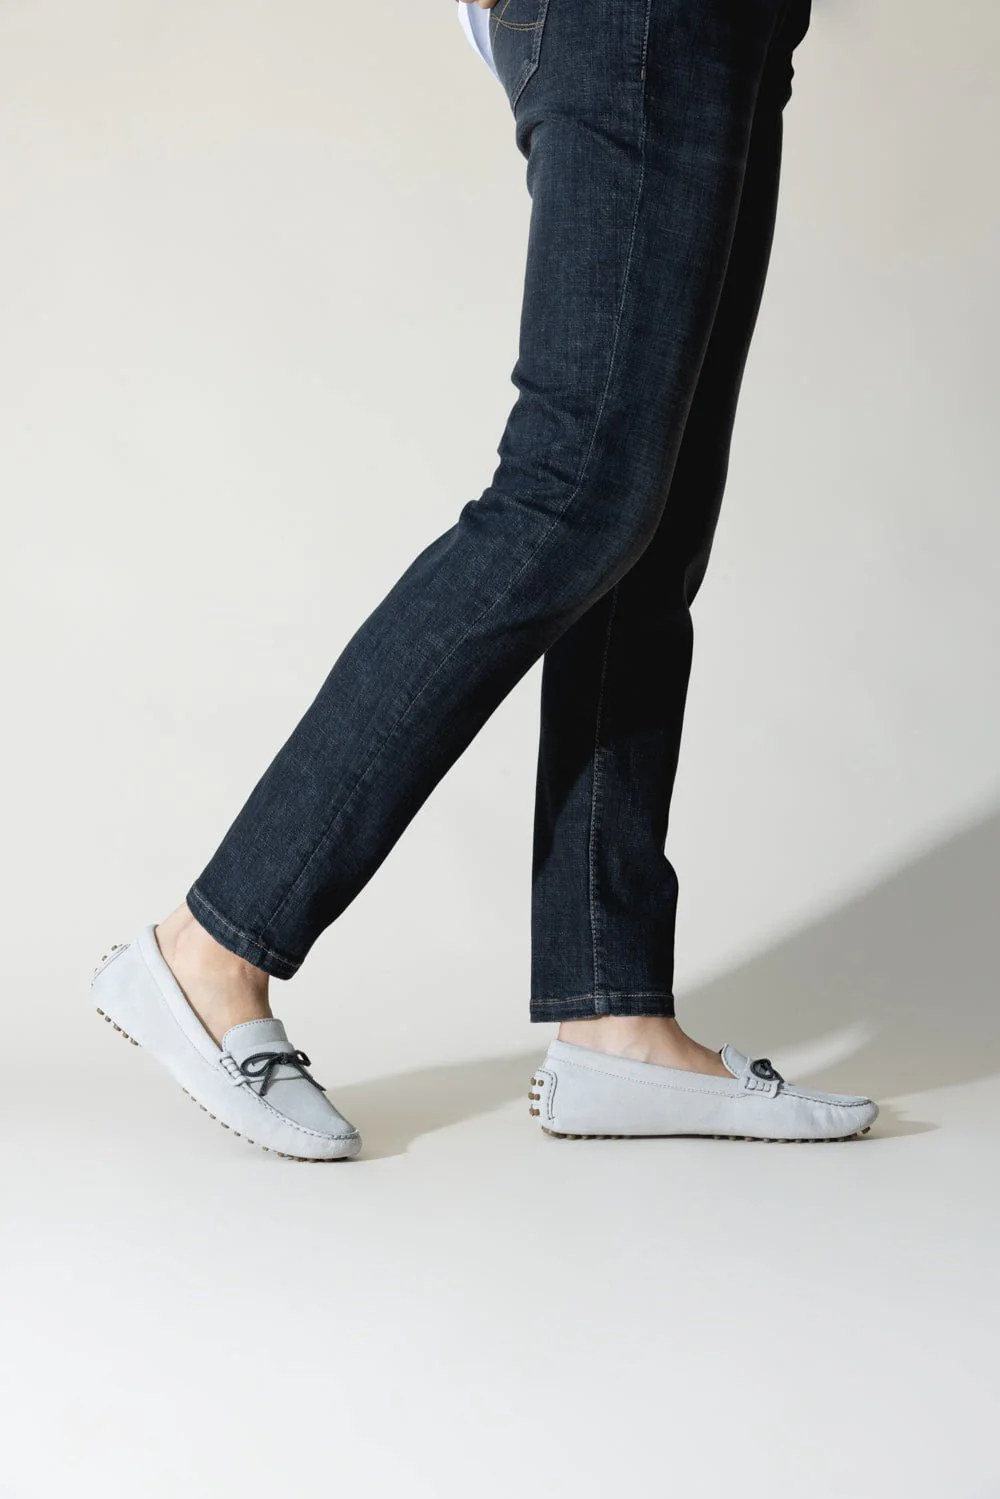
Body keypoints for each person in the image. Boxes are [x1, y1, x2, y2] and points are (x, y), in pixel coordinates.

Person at [90, 0, 879, 1160]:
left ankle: (614, 1016)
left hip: (734, 31)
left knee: (647, 533)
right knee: (571, 497)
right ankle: (211, 945)